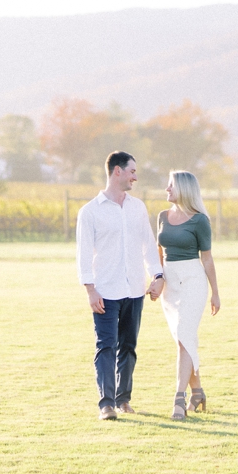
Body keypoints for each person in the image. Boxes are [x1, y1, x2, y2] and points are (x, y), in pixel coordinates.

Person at [75, 151, 164, 420]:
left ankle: (124, 399)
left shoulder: (138, 208)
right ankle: (107, 404)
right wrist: (90, 289)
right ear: (117, 171)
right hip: (105, 291)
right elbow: (83, 254)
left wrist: (157, 276)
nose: (135, 176)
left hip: (135, 289)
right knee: (106, 346)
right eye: (132, 171)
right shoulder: (90, 212)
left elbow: (149, 244)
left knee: (128, 346)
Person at [156, 169, 220, 420]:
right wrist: (157, 280)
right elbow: (159, 252)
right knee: (182, 339)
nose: (167, 189)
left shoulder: (200, 220)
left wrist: (215, 293)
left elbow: (207, 259)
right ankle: (198, 392)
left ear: (183, 188)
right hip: (170, 284)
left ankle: (179, 401)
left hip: (193, 281)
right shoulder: (162, 216)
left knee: (184, 336)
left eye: (170, 185)